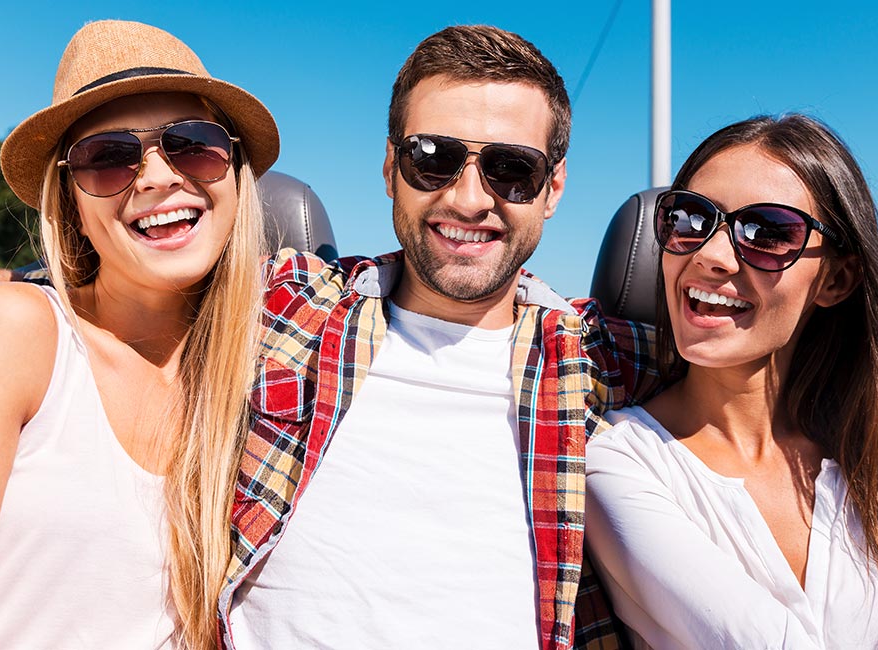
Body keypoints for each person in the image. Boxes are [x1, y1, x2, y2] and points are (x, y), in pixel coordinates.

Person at [216, 25, 656, 650]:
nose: (469, 199)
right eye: (433, 158)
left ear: (552, 189)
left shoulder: (606, 363)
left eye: (511, 169)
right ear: (392, 168)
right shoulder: (286, 305)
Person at [0, 20, 278, 649]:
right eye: (108, 158)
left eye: (193, 144)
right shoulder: (15, 333)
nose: (157, 177)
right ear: (71, 200)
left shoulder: (262, 380)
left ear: (234, 171)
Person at [584, 115, 878, 650]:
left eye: (769, 233)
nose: (709, 254)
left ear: (837, 279)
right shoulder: (620, 462)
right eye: (688, 218)